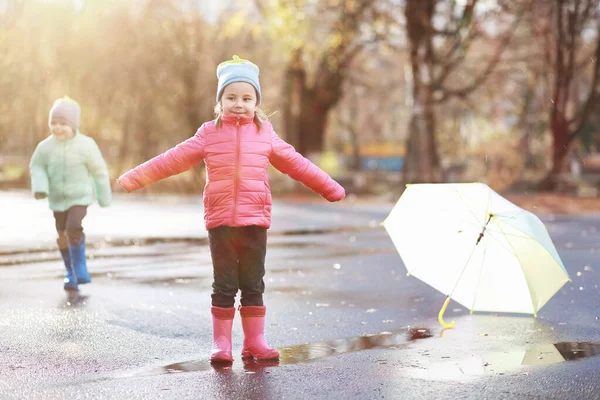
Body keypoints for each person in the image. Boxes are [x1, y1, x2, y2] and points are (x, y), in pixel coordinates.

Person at [117, 55, 345, 363]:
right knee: (224, 284)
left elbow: (296, 164)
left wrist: (330, 187)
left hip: (255, 221)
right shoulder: (208, 133)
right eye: (232, 97)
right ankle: (221, 343)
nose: (239, 103)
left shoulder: (265, 134)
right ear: (220, 100)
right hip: (221, 222)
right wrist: (134, 178)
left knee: (253, 284)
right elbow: (173, 159)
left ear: (256, 102)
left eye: (247, 98)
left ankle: (255, 342)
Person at [29, 96, 112, 291]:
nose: (57, 127)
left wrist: (104, 196)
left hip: (79, 197)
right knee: (61, 233)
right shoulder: (45, 147)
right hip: (57, 199)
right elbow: (37, 166)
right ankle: (70, 272)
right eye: (54, 123)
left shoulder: (87, 145)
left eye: (63, 123)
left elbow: (99, 171)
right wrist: (40, 188)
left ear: (74, 125)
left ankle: (80, 267)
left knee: (73, 227)